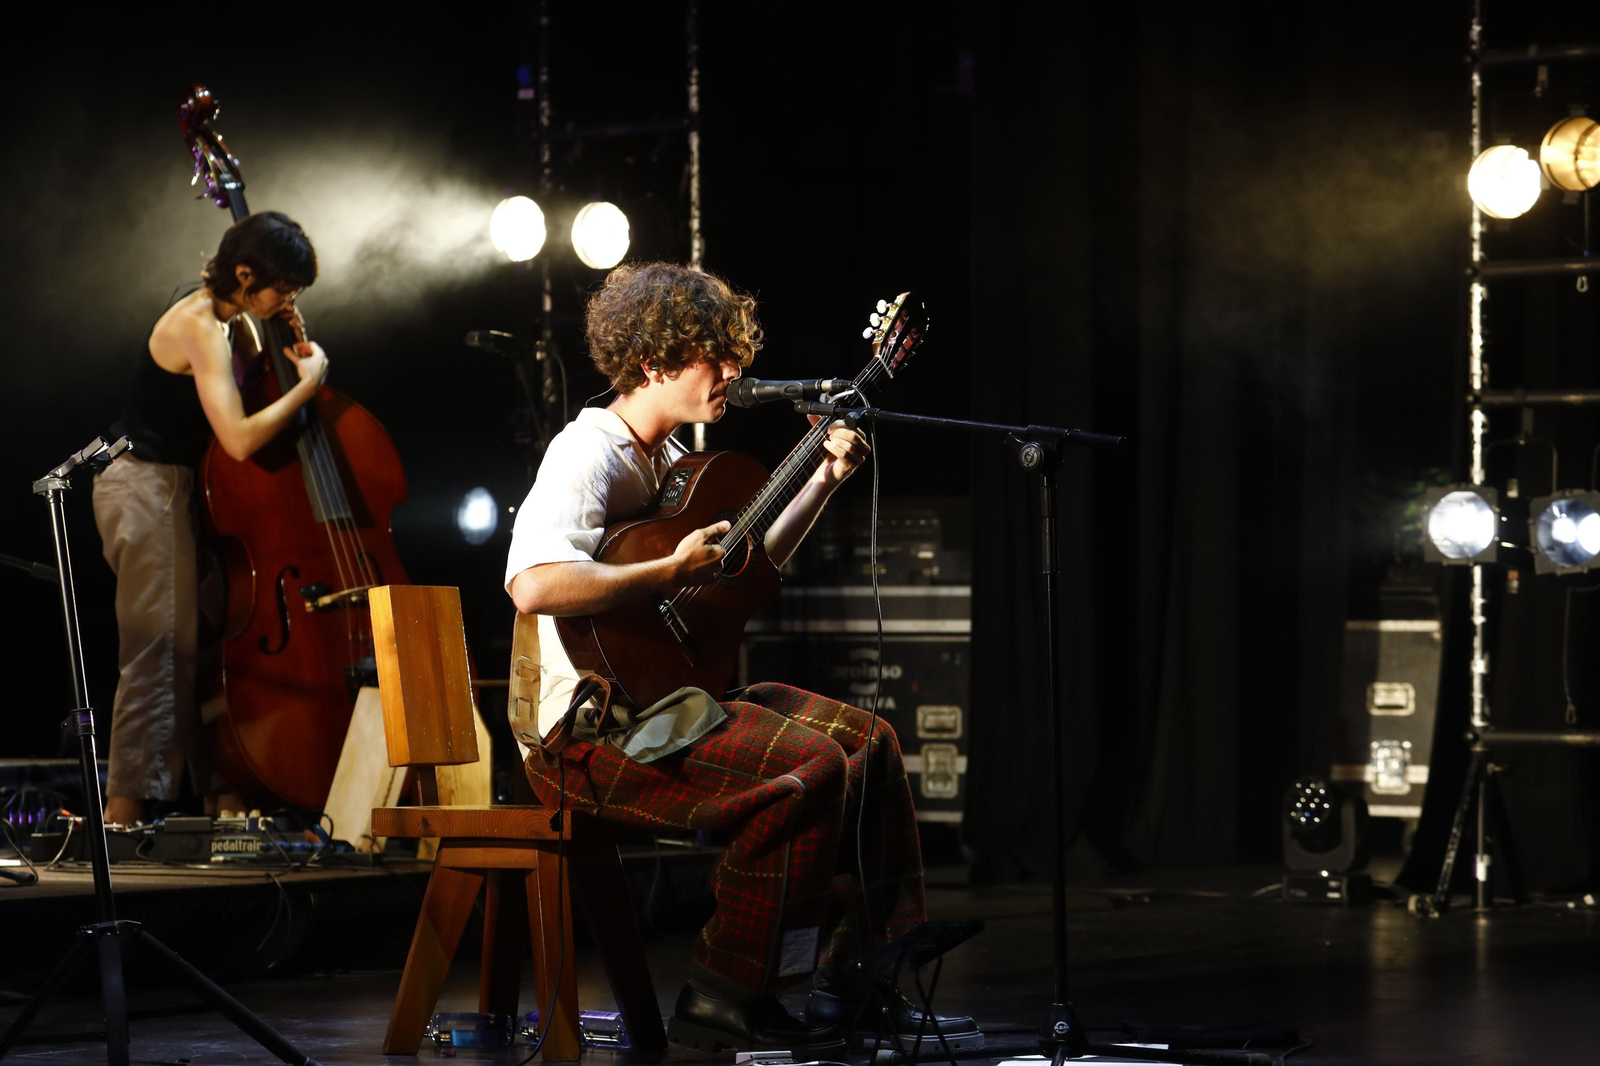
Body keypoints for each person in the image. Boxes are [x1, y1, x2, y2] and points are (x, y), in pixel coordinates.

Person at [503, 262, 977, 1053]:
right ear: (653, 363)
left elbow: (743, 570)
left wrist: (823, 478)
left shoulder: (670, 459)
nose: (735, 371)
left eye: (734, 352)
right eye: (712, 356)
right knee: (812, 764)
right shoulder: (588, 453)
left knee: (872, 743)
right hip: (585, 735)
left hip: (666, 703)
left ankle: (856, 976)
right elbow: (532, 585)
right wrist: (665, 570)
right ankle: (727, 987)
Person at [94, 211, 328, 827]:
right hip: (142, 486)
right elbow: (240, 441)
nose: (287, 302)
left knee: (203, 646)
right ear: (246, 275)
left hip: (172, 489)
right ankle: (122, 817)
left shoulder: (231, 321)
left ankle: (221, 797)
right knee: (159, 650)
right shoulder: (200, 326)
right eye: (284, 289)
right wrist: (308, 386)